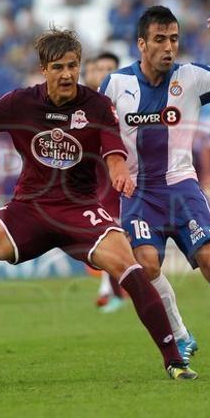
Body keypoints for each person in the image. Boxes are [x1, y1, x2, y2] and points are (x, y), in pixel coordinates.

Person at [0, 27, 197, 383]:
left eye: (73, 65)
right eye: (59, 67)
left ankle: (174, 359)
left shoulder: (97, 105)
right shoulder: (20, 103)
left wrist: (119, 172)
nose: (68, 74)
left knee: (130, 268)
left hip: (79, 209)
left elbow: (114, 151)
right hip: (30, 207)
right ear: (44, 69)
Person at [100, 6, 210, 364]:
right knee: (147, 265)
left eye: (173, 39)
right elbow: (98, 132)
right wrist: (115, 165)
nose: (168, 47)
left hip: (181, 186)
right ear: (142, 44)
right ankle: (182, 336)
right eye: (159, 39)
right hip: (138, 192)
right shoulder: (115, 85)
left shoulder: (192, 77)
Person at [83, 51, 126, 312]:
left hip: (124, 171)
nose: (103, 73)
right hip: (99, 174)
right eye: (99, 68)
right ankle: (112, 290)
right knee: (108, 231)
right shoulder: (89, 104)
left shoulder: (127, 100)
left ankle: (114, 290)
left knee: (120, 233)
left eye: (109, 68)